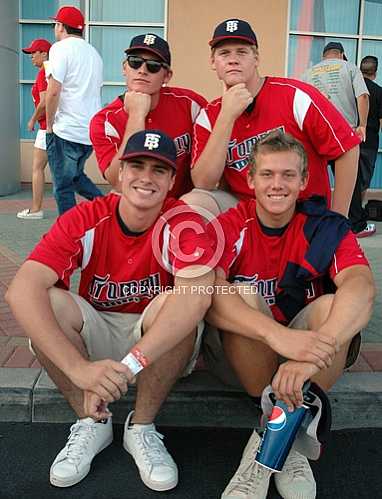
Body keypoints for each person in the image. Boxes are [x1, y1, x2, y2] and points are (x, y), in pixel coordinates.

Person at [6, 130, 215, 491]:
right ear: (119, 171)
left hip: (152, 341)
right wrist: (79, 370)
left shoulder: (184, 221)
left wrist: (131, 363)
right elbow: (20, 291)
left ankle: (143, 427)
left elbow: (196, 297)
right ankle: (91, 421)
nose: (146, 177)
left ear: (170, 182)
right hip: (98, 329)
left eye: (159, 170)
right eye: (137, 165)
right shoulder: (86, 216)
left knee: (179, 305)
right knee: (47, 304)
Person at [204, 131, 375, 498]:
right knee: (240, 294)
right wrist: (275, 336)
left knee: (333, 307)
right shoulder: (229, 224)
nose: (277, 184)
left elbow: (361, 288)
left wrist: (311, 355)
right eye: (267, 174)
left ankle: (283, 431)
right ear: (250, 179)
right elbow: (208, 294)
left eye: (287, 175)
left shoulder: (324, 226)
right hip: (247, 357)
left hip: (308, 360)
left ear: (303, 181)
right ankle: (276, 423)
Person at [189, 19, 361, 218]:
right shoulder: (209, 116)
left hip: (303, 212)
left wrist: (338, 218)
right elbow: (203, 183)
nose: (233, 59)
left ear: (256, 58)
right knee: (195, 203)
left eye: (242, 52)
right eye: (224, 53)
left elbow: (347, 148)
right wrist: (227, 116)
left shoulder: (295, 96)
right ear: (213, 62)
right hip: (249, 215)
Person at [90, 33, 207, 197]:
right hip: (138, 200)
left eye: (153, 65)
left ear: (167, 76)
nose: (142, 71)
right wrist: (137, 115)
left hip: (185, 203)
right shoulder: (105, 120)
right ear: (125, 68)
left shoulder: (190, 103)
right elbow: (118, 182)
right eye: (135, 62)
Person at [45, 5, 103, 215]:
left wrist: (50, 126)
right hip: (89, 132)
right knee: (76, 177)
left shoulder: (59, 49)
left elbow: (53, 91)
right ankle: (107, 208)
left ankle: (68, 237)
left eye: (56, 24)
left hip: (66, 130)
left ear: (61, 26)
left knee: (63, 188)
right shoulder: (94, 54)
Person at [303, 42, 369, 143]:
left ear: (323, 57)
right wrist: (362, 125)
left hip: (317, 131)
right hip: (345, 130)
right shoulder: (350, 68)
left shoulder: (307, 73)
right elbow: (363, 96)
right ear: (341, 54)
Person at [17, 38, 51, 220]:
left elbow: (45, 102)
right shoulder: (50, 72)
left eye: (33, 52)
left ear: (44, 53)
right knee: (65, 172)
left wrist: (32, 120)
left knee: (37, 168)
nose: (31, 56)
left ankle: (36, 209)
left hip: (47, 129)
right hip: (52, 127)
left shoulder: (43, 73)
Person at [348, 55, 382, 237]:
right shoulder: (378, 91)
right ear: (375, 73)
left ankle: (349, 213)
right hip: (368, 142)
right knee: (363, 180)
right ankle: (357, 214)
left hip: (350, 139)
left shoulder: (352, 89)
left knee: (349, 178)